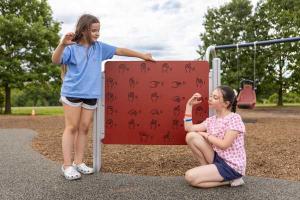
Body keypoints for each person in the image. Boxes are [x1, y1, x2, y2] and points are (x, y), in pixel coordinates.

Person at [52, 14, 154, 180]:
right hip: (72, 92)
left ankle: (79, 162)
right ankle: (67, 165)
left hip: (91, 94)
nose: (97, 34)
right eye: (93, 30)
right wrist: (61, 44)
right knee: (71, 127)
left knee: (84, 128)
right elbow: (55, 60)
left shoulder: (99, 48)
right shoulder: (70, 47)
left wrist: (142, 55)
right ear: (84, 30)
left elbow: (120, 50)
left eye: (98, 30)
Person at [184, 85, 246, 188]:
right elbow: (189, 128)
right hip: (218, 157)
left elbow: (224, 145)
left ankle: (231, 180)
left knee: (190, 177)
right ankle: (207, 170)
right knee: (191, 136)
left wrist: (206, 135)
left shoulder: (234, 118)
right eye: (211, 96)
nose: (210, 99)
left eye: (215, 97)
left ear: (226, 104)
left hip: (231, 166)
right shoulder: (211, 120)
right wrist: (189, 105)